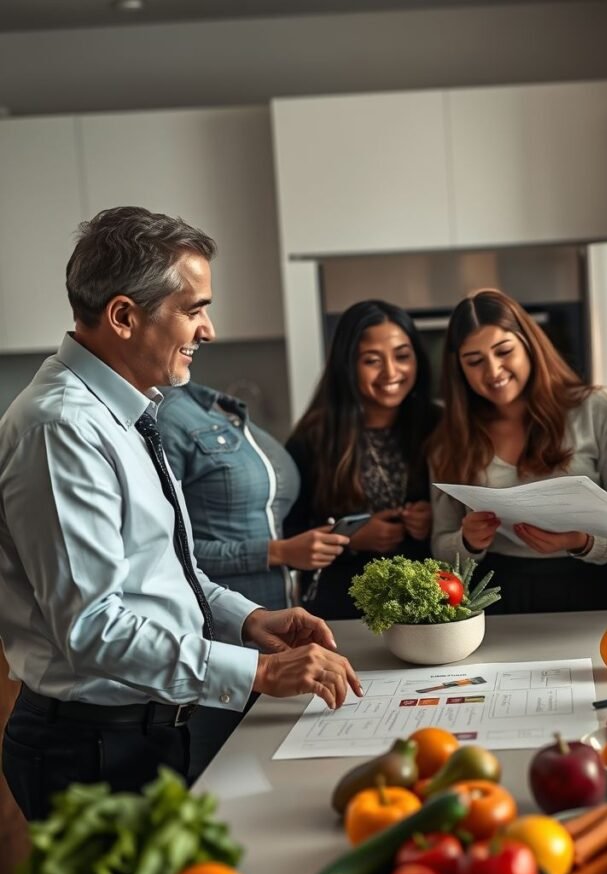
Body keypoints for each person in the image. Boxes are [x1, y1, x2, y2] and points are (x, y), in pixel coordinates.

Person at [0, 206, 361, 821]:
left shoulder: (126, 410)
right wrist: (259, 672)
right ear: (123, 316)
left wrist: (249, 621)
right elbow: (95, 628)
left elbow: (166, 572)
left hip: (149, 729)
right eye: (193, 309)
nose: (208, 329)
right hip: (94, 749)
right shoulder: (61, 428)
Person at [158, 381, 348, 764]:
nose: (207, 330)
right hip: (215, 645)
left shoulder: (220, 409)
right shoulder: (165, 419)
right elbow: (175, 558)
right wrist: (279, 552)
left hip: (266, 629)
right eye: (193, 315)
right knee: (224, 774)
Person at [430, 289, 607, 613]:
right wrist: (468, 540)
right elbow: (440, 545)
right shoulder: (451, 436)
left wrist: (579, 541)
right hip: (492, 597)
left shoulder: (596, 408)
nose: (493, 371)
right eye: (474, 361)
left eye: (504, 351)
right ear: (459, 368)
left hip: (589, 590)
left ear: (529, 346)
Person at [285, 299, 438, 620]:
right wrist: (350, 539)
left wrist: (433, 518)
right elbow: (287, 535)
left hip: (431, 605)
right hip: (344, 608)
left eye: (402, 356)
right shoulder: (314, 438)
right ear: (347, 365)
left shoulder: (439, 425)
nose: (392, 372)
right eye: (372, 360)